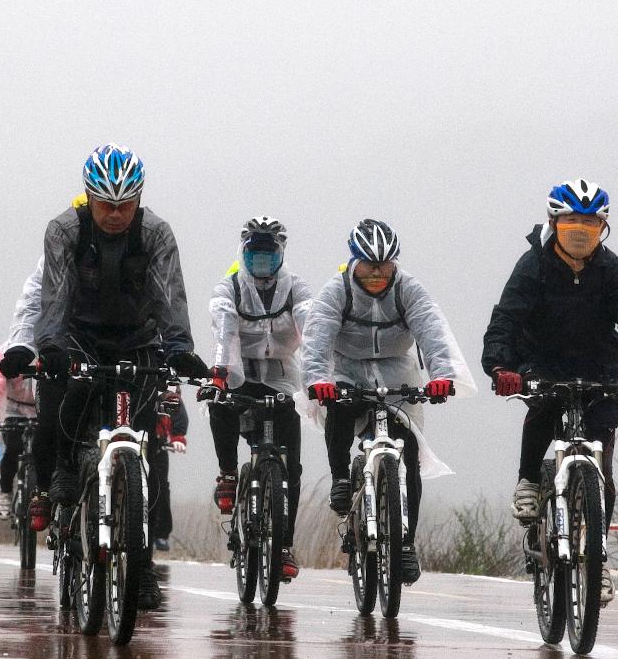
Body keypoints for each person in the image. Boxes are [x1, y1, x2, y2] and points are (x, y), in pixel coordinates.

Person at [32, 143, 210, 609]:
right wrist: (50, 347)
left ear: (139, 199)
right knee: (66, 394)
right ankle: (66, 473)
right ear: (89, 198)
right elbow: (53, 296)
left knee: (146, 449)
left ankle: (143, 564)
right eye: (107, 205)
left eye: (125, 205)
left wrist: (181, 349)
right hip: (79, 335)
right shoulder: (64, 230)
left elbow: (171, 295)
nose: (116, 214)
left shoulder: (156, 233)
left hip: (138, 338)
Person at [482, 179, 618, 603]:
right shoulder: (533, 266)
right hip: (541, 359)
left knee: (602, 466)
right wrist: (500, 365)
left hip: (599, 364)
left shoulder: (613, 270)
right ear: (554, 224)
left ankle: (595, 562)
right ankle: (529, 479)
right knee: (544, 406)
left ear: (602, 229)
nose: (581, 233)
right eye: (571, 225)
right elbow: (506, 318)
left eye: (590, 225)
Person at [305, 218, 475, 585]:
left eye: (385, 265)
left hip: (399, 371)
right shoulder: (337, 291)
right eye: (369, 265)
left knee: (408, 449)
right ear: (355, 262)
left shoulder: (408, 289)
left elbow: (431, 329)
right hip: (347, 368)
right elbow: (317, 337)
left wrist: (442, 375)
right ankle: (340, 479)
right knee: (339, 407)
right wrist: (318, 381)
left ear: (395, 263)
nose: (377, 273)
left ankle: (406, 544)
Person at [202, 216, 314, 578]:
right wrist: (219, 373)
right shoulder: (230, 287)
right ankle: (228, 472)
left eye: (269, 255)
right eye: (255, 256)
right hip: (239, 370)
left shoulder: (296, 288)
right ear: (245, 254)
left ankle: (284, 546)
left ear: (280, 254)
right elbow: (224, 329)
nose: (261, 264)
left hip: (281, 375)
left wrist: (319, 376)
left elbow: (310, 325)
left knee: (291, 466)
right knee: (219, 404)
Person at [0, 339, 38, 519]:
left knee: (44, 449)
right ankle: (5, 493)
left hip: (42, 406)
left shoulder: (49, 343)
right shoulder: (7, 350)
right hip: (15, 407)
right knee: (12, 448)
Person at [149, 384, 188, 552]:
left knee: (160, 487)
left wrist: (178, 435)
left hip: (158, 444)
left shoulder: (165, 380)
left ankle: (160, 533)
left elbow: (175, 403)